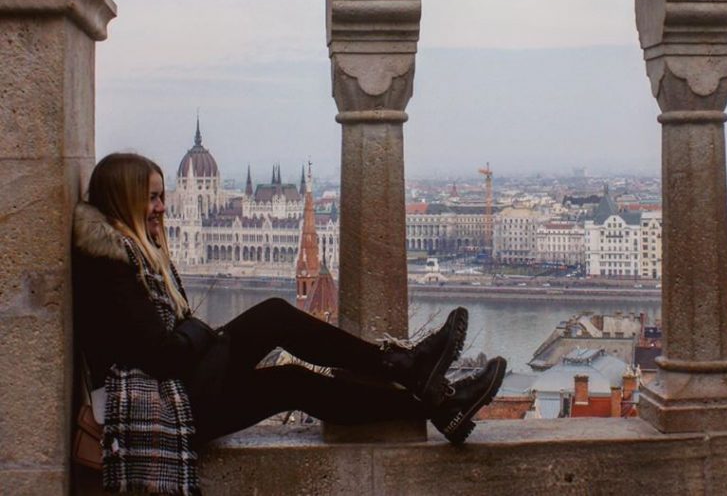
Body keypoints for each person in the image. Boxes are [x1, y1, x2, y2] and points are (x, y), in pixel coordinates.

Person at [73, 152, 506, 494]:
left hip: (176, 396)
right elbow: (163, 354)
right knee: (275, 317)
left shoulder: (135, 255)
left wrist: (197, 334)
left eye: (163, 195)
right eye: (152, 197)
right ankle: (408, 366)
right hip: (158, 405)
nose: (162, 207)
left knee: (293, 381)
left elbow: (166, 343)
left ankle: (439, 405)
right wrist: (201, 331)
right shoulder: (111, 266)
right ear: (123, 198)